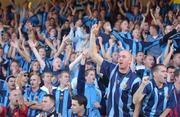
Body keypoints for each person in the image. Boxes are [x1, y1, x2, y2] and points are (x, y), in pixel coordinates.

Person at [89, 24, 141, 117]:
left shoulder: (135, 80)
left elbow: (138, 105)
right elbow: (93, 55)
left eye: (123, 57)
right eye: (119, 56)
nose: (120, 58)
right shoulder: (112, 68)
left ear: (130, 62)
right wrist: (92, 35)